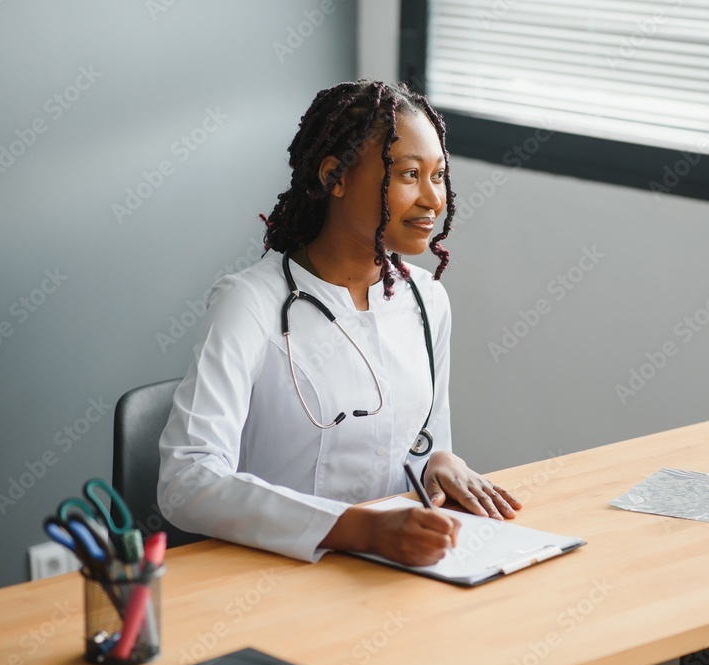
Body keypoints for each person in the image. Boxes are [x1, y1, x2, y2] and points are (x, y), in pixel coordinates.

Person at [158, 80, 521, 567]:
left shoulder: (427, 299)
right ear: (335, 177)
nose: (433, 199)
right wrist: (357, 529)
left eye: (440, 176)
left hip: (392, 567)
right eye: (409, 174)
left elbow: (422, 445)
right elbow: (186, 481)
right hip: (277, 572)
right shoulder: (249, 303)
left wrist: (441, 463)